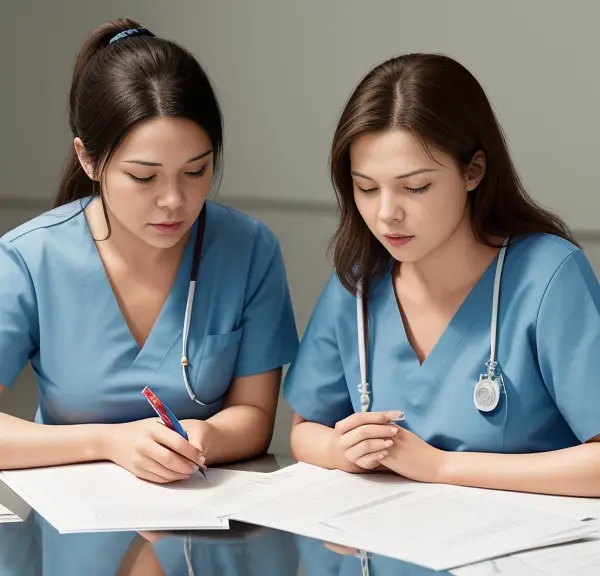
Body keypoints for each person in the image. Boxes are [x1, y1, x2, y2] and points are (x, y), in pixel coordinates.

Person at [0, 18, 299, 576]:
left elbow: (256, 417)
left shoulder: (249, 249)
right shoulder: (29, 259)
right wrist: (111, 443)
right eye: (144, 177)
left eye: (196, 171)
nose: (173, 201)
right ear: (89, 160)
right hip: (72, 542)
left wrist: (202, 439)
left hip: (207, 537)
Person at [283, 53, 600, 575]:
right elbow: (303, 429)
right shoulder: (359, 282)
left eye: (415, 187)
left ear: (473, 170)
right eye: (366, 187)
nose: (387, 213)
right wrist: (343, 451)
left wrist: (440, 466)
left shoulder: (548, 276)